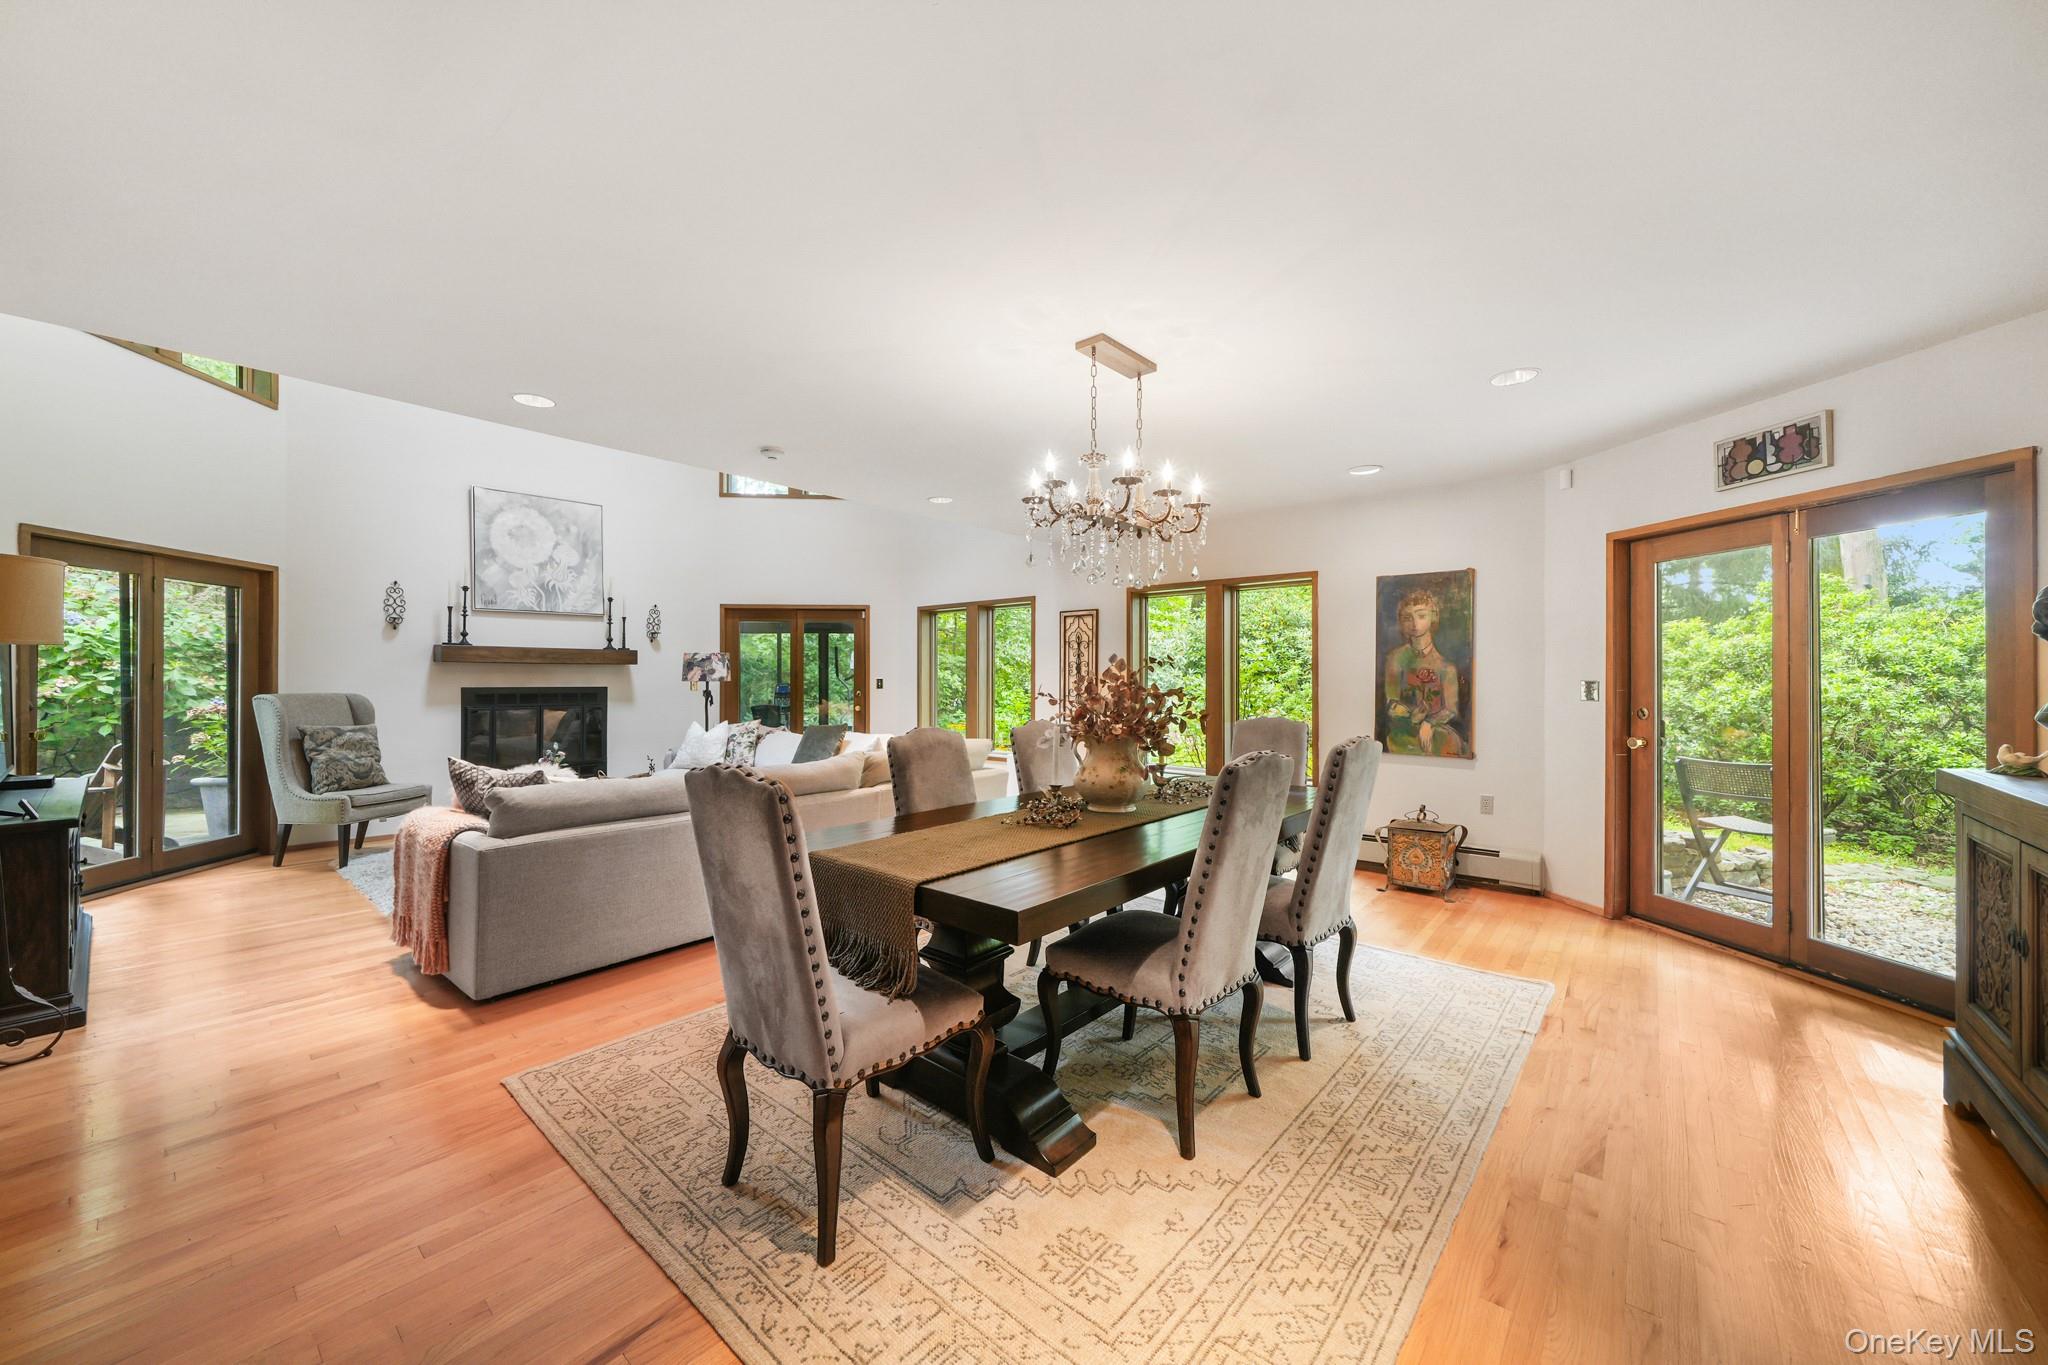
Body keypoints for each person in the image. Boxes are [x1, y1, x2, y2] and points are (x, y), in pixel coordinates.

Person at [1383, 588, 1467, 757]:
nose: (1415, 624)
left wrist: (1428, 722)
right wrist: (1411, 716)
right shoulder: (1395, 658)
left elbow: (1450, 709)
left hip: (1437, 735)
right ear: (1401, 622)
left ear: (1433, 617)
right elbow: (1391, 703)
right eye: (1408, 618)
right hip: (1402, 735)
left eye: (1421, 616)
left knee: (1450, 744)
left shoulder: (1446, 667)